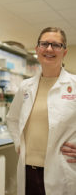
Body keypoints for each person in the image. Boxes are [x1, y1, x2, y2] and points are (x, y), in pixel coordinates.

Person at [6, 27, 76, 195]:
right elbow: (12, 119)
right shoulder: (25, 86)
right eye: (44, 44)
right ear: (37, 49)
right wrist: (18, 144)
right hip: (28, 170)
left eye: (56, 45)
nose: (49, 49)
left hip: (62, 170)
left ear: (64, 52)